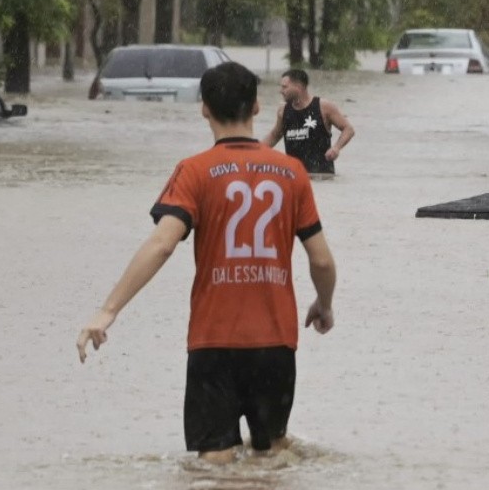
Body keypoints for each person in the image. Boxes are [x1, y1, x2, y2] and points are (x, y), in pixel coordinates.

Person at [77, 61, 338, 465]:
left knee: (212, 468)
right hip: (275, 344)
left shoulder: (193, 171)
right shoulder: (293, 174)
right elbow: (320, 259)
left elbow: (162, 245)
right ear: (256, 107)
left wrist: (107, 311)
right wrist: (324, 303)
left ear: (203, 108)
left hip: (212, 342)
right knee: (274, 459)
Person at [263, 68, 355, 179]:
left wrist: (336, 148)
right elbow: (275, 135)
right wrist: (254, 153)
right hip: (294, 178)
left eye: (284, 87)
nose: (281, 91)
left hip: (322, 178)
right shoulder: (283, 111)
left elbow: (348, 129)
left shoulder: (323, 107)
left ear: (299, 87)